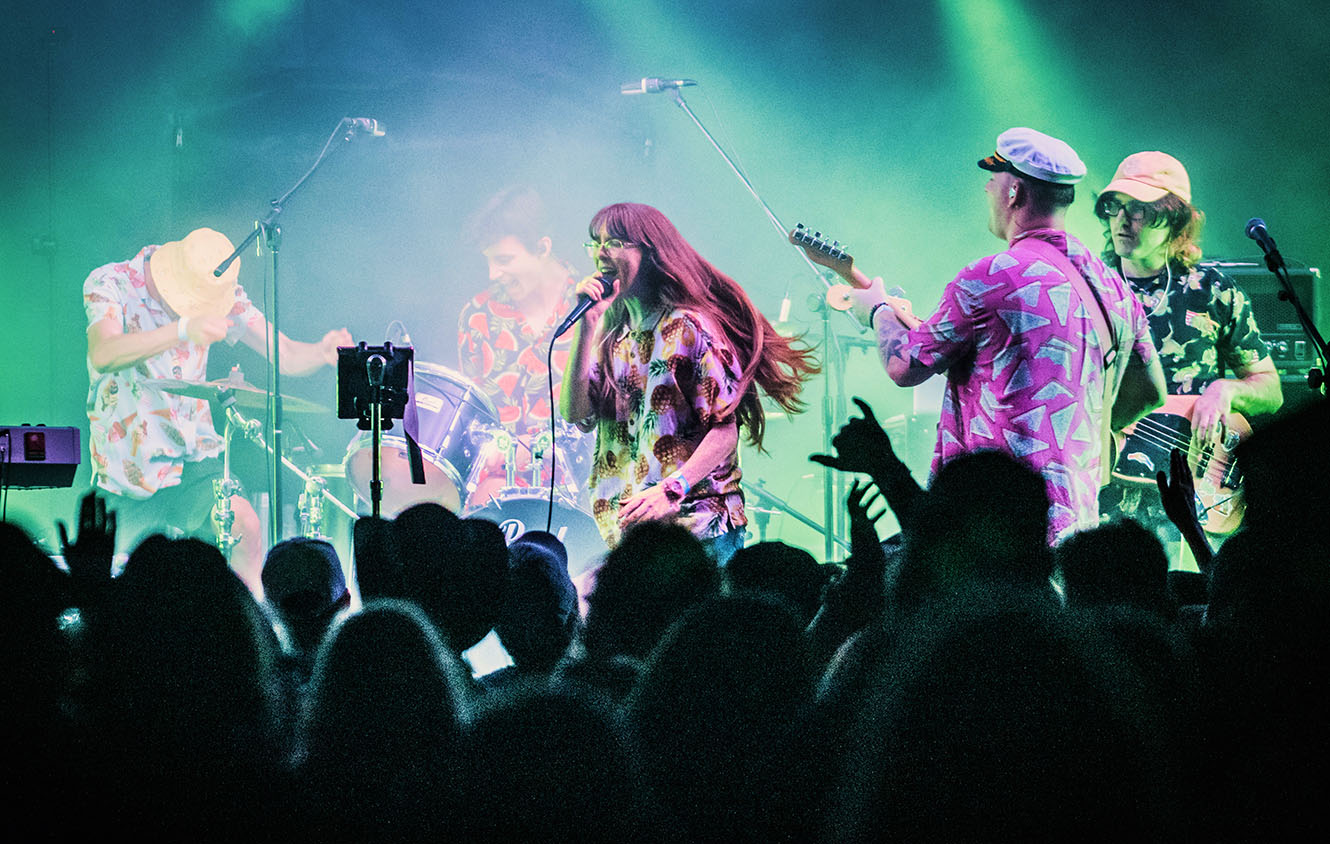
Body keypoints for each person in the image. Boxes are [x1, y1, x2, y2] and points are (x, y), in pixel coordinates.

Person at [845, 128, 1167, 543]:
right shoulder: (1113, 287)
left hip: (989, 526)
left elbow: (904, 365)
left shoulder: (989, 277)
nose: (986, 187)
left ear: (1014, 192)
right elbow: (1152, 392)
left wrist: (875, 310)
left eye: (993, 178)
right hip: (1076, 523)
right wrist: (1081, 432)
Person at [83, 227, 352, 596]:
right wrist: (181, 329)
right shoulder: (111, 281)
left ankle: (251, 635)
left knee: (245, 525)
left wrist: (320, 352)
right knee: (129, 589)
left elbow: (285, 355)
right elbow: (104, 352)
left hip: (193, 458)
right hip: (128, 467)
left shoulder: (219, 293)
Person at [558, 202, 819, 562]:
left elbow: (725, 430)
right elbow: (575, 413)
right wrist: (586, 328)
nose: (601, 252)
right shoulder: (611, 334)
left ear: (649, 252)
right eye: (595, 242)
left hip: (698, 529)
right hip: (637, 536)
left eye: (616, 241)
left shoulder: (688, 327)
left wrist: (671, 490)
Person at [1094, 151, 1282, 540]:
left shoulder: (1212, 291)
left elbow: (1271, 390)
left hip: (1191, 500)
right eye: (1116, 207)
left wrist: (1224, 390)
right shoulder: (1088, 290)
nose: (1123, 220)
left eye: (1140, 209)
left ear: (1175, 219)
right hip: (1102, 495)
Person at [457, 186, 594, 508]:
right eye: (489, 262)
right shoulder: (477, 316)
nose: (493, 274)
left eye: (504, 260)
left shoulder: (594, 306)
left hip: (585, 496)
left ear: (543, 248)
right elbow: (474, 418)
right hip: (498, 496)